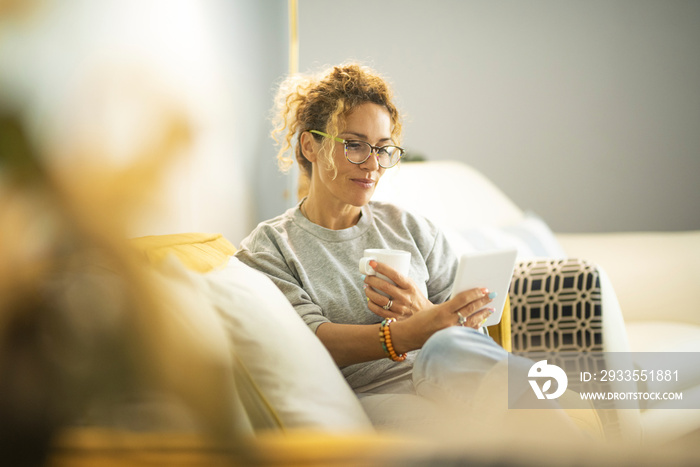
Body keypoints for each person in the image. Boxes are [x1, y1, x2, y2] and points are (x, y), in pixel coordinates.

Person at [234, 63, 516, 403]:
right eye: (354, 144)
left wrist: (424, 312)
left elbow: (473, 337)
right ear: (310, 146)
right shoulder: (271, 248)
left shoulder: (412, 228)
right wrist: (405, 334)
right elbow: (308, 340)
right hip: (373, 396)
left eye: (382, 149)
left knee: (505, 385)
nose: (371, 164)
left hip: (450, 379)